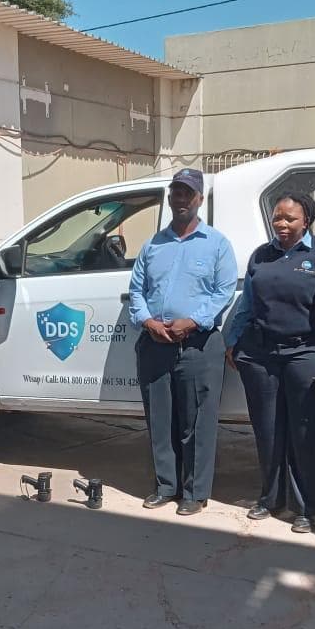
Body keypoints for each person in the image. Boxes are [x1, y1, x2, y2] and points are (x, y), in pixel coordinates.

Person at [224, 192, 315, 532]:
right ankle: (270, 499)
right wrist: (233, 341)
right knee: (267, 431)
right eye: (277, 217)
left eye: (289, 218)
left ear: (306, 220)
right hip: (261, 356)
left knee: (306, 433)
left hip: (308, 354)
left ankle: (306, 508)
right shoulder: (261, 256)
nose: (281, 223)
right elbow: (247, 305)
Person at [129, 168, 238, 515]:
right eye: (176, 193)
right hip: (155, 343)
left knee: (197, 423)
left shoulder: (217, 244)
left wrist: (192, 321)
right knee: (160, 420)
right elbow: (136, 291)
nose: (180, 199)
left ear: (199, 200)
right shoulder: (152, 245)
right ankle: (165, 486)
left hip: (198, 345)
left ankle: (194, 493)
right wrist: (146, 320)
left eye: (187, 194)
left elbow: (224, 291)